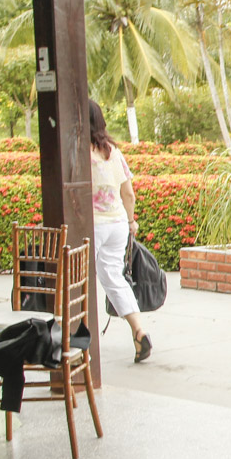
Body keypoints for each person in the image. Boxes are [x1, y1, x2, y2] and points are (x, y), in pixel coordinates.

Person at [89, 100, 152, 363]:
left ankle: (78, 342)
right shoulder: (113, 151)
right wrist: (130, 221)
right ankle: (139, 331)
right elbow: (128, 193)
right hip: (116, 224)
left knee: (78, 280)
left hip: (92, 224)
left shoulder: (80, 151)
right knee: (114, 278)